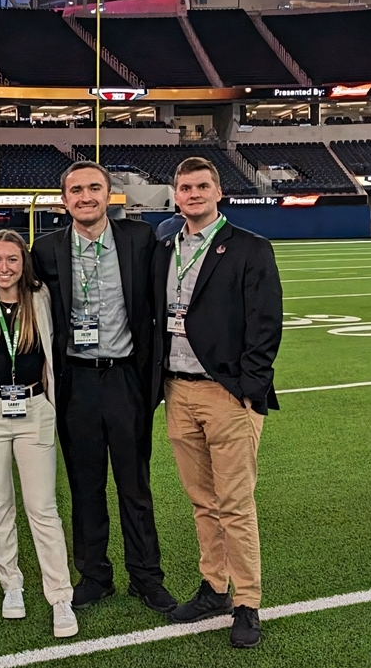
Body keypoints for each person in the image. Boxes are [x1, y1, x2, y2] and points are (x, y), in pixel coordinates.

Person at [31, 161, 177, 616]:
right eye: (76, 190)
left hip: (124, 378)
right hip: (76, 380)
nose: (86, 196)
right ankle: (95, 574)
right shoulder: (46, 248)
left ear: (108, 195)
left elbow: (159, 304)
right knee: (85, 485)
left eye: (94, 188)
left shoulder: (138, 239)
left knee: (135, 485)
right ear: (64, 200)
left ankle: (146, 577)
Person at [151, 157, 282, 649]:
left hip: (225, 393)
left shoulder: (250, 248)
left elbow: (266, 324)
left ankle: (247, 602)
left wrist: (248, 388)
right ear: (176, 195)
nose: (193, 194)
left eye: (202, 186)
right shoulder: (166, 246)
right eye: (185, 187)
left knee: (235, 503)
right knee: (202, 501)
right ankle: (215, 586)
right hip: (177, 390)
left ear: (218, 191)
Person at [0, 229, 78, 639]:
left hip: (34, 410)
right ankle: (12, 584)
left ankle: (59, 595)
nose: (4, 268)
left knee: (42, 507)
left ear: (23, 263)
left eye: (13, 259)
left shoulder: (42, 300)